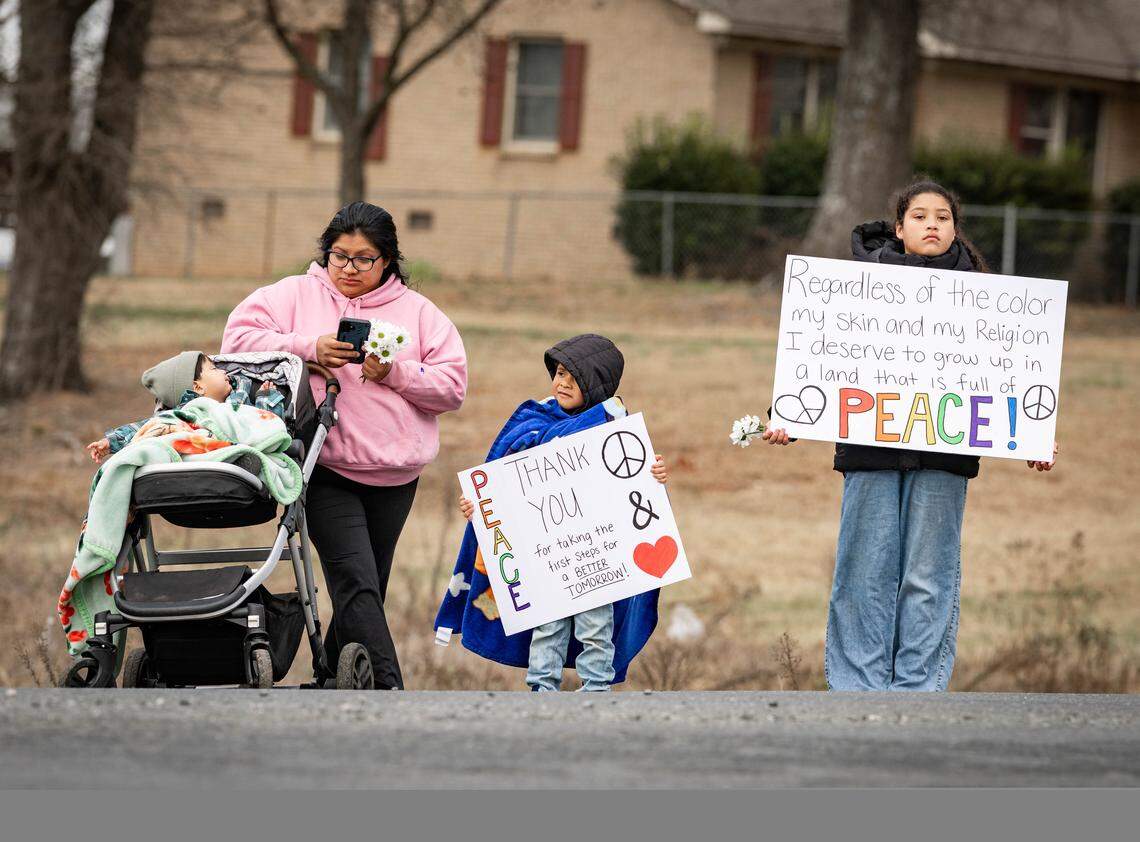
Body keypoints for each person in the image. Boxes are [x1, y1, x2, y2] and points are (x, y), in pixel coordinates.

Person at [764, 180, 1059, 691]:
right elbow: (822, 361)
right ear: (899, 229)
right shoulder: (852, 287)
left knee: (929, 579)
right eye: (919, 216)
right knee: (864, 573)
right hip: (870, 453)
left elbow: (1010, 378)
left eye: (942, 217)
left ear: (955, 229)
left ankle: (919, 693)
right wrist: (791, 414)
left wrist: (1034, 436)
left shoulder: (990, 300)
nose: (932, 225)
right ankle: (857, 691)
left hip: (945, 460)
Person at [221, 201, 467, 689]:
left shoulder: (419, 313)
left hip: (396, 476)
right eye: (339, 256)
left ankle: (329, 679)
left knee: (366, 588)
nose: (349, 269)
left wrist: (395, 372)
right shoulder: (292, 295)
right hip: (322, 466)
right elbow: (236, 340)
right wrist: (308, 348)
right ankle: (390, 687)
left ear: (388, 261)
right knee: (356, 583)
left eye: (363, 259)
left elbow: (453, 386)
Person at [438, 334, 668, 692]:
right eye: (558, 373)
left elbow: (633, 480)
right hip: (545, 554)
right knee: (546, 625)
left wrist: (655, 476)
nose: (560, 382)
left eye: (571, 376)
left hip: (596, 555)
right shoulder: (533, 421)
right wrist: (480, 505)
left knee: (596, 626)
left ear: (593, 381)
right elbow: (500, 480)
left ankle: (596, 687)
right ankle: (542, 688)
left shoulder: (614, 430)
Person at [85, 351, 283, 462]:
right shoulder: (184, 412)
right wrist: (111, 442)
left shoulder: (239, 402)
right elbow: (146, 428)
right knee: (157, 430)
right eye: (214, 369)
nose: (224, 372)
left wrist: (266, 398)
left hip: (236, 454)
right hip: (193, 454)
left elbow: (262, 426)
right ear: (198, 387)